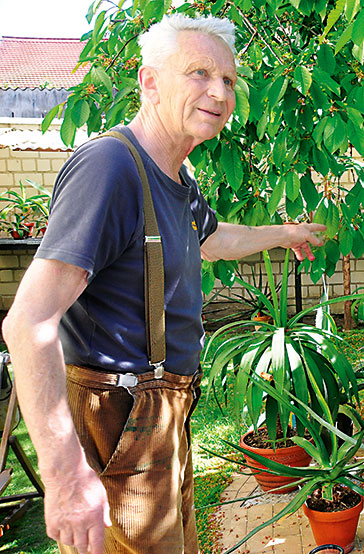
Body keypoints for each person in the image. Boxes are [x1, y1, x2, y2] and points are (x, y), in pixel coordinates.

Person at [1, 14, 325, 554]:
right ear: (149, 82)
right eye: (199, 73)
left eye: (228, 79)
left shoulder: (174, 177)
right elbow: (29, 321)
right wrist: (62, 475)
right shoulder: (111, 168)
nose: (219, 92)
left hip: (161, 413)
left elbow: (214, 238)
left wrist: (283, 233)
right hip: (120, 417)